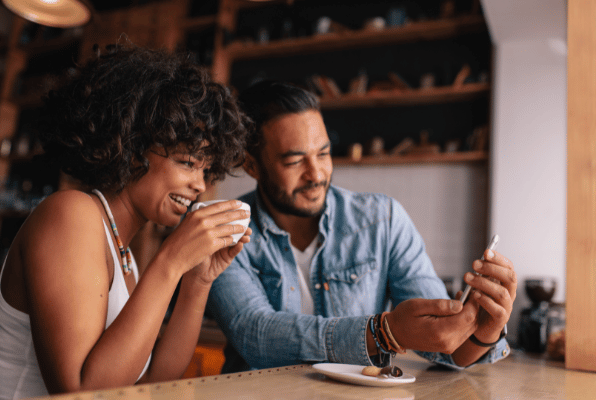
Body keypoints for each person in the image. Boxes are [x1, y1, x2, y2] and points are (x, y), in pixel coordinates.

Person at [0, 43, 252, 399]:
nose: (199, 184)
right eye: (187, 162)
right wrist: (170, 261)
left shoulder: (124, 255)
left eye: (207, 170)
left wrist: (197, 280)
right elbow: (80, 390)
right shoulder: (70, 214)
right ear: (132, 147)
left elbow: (153, 383)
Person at [206, 80, 518, 373]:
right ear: (251, 165)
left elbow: (443, 342)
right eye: (294, 161)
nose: (316, 174)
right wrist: (383, 332)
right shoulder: (224, 229)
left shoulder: (383, 220)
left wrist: (483, 332)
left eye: (324, 153)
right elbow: (255, 335)